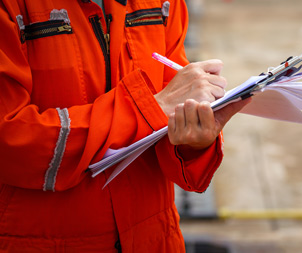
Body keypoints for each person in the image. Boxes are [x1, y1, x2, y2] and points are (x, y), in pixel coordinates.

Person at [0, 0, 249, 251]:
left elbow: (167, 117)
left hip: (155, 238)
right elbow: (8, 138)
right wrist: (144, 110)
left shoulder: (165, 3)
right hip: (41, 240)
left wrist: (195, 140)